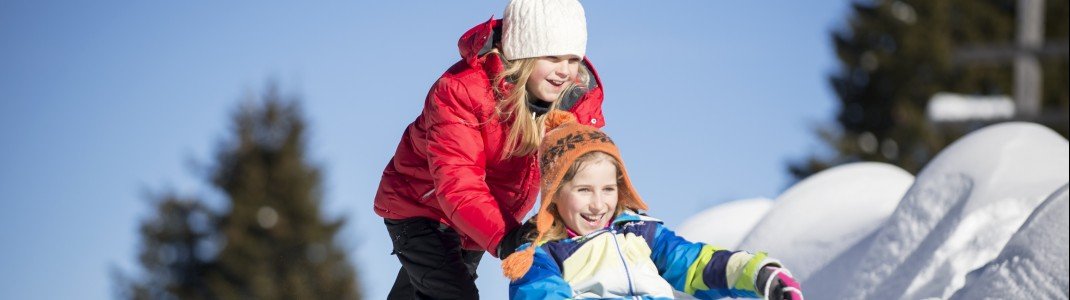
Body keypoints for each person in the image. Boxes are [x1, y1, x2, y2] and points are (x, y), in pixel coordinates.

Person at [373, 0, 607, 298]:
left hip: (482, 218)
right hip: (422, 208)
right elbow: (458, 182)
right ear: (524, 52)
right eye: (552, 56)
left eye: (573, 59)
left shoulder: (571, 105)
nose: (565, 71)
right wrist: (509, 236)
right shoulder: (462, 90)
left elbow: (586, 171)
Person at [502, 111, 805, 300]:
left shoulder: (639, 233)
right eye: (584, 190)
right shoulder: (543, 256)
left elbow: (695, 263)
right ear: (555, 194)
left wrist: (757, 274)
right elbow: (540, 295)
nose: (598, 204)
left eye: (608, 189)